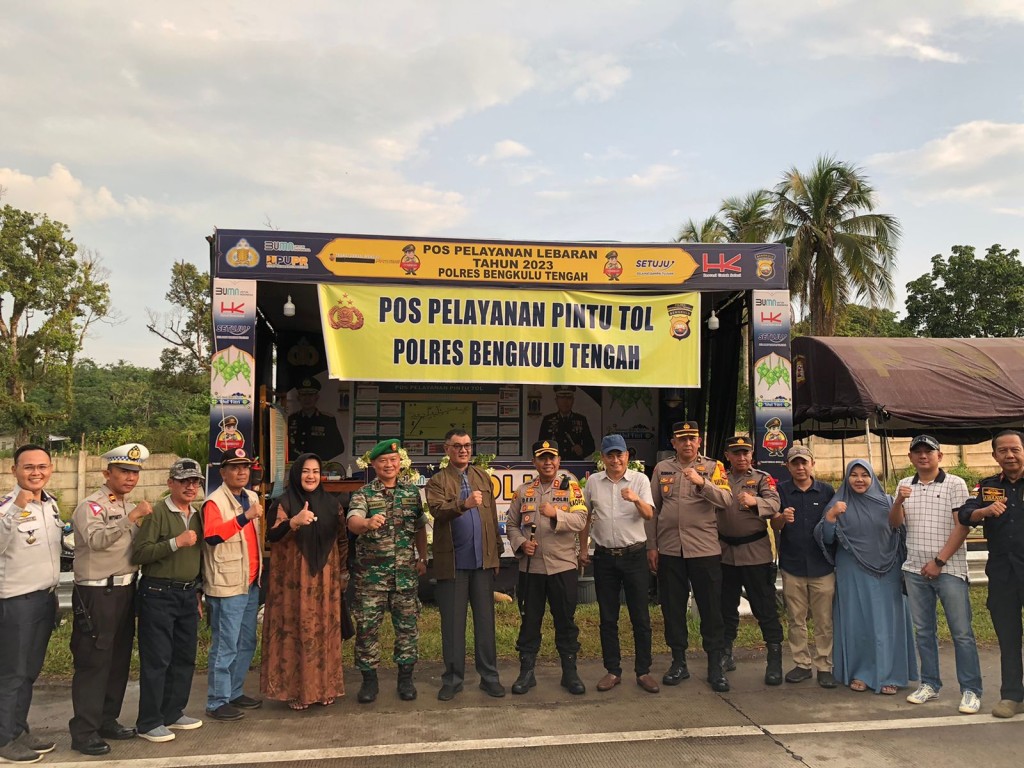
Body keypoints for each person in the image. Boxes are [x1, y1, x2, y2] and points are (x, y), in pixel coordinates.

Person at [69, 443, 153, 756]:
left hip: (125, 589)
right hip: (97, 592)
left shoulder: (124, 502)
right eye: (124, 471)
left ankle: (107, 719)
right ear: (107, 473)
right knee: (94, 661)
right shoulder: (92, 505)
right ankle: (84, 731)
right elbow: (97, 540)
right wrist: (131, 518)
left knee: (118, 660)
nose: (130, 477)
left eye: (135, 472)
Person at [891, 435, 981, 714]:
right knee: (924, 632)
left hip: (949, 569)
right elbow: (895, 524)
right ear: (910, 457)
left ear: (939, 456)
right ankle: (930, 683)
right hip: (914, 569)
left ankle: (971, 689)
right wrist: (898, 501)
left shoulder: (955, 483)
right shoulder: (905, 484)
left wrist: (939, 561)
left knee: (961, 632)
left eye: (928, 451)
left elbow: (962, 527)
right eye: (917, 452)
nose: (923, 456)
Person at [814, 459, 917, 695]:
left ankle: (890, 675)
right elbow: (826, 538)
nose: (859, 480)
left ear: (873, 477)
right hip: (853, 571)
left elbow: (899, 531)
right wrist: (831, 517)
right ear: (847, 478)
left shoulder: (888, 501)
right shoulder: (838, 502)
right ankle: (860, 673)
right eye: (854, 475)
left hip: (888, 570)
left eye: (865, 475)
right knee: (857, 622)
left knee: (887, 624)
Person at [646, 420, 733, 692]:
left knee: (711, 608)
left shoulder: (714, 467)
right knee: (672, 608)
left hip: (704, 550)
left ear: (699, 442)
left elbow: (726, 500)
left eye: (691, 438)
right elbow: (653, 510)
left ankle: (715, 665)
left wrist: (702, 483)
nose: (687, 443)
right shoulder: (662, 469)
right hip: (670, 550)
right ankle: (678, 662)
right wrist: (652, 546)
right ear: (673, 443)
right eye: (681, 439)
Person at [261, 453, 348, 710]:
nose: (311, 476)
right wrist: (293, 522)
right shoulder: (284, 502)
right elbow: (272, 536)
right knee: (294, 630)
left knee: (323, 631)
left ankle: (325, 688)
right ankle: (295, 691)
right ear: (296, 473)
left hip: (325, 583)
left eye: (315, 471)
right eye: (305, 471)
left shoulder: (332, 504)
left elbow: (342, 540)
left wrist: (342, 572)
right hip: (292, 583)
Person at [424, 430, 505, 701]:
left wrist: (497, 554)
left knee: (485, 624)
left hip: (482, 563)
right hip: (453, 565)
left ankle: (490, 678)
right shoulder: (437, 481)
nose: (463, 450)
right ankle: (453, 680)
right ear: (447, 449)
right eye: (457, 446)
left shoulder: (482, 476)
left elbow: (492, 517)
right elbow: (438, 511)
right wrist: (464, 504)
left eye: (467, 445)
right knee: (453, 626)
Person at [347, 440, 428, 704]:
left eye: (393, 460)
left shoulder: (411, 493)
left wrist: (422, 557)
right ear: (374, 464)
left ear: (400, 463)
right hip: (371, 578)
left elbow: (419, 527)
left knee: (407, 629)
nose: (389, 465)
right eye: (383, 461)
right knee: (367, 630)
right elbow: (353, 522)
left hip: (405, 575)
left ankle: (405, 679)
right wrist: (367, 523)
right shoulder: (363, 494)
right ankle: (369, 681)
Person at [506, 440, 589, 695]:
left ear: (559, 461)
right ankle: (527, 672)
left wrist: (556, 514)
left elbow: (581, 519)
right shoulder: (523, 491)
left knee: (565, 621)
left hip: (562, 566)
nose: (548, 462)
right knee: (530, 621)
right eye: (542, 458)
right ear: (534, 462)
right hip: (531, 568)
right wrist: (521, 544)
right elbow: (511, 525)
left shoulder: (571, 488)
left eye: (552, 457)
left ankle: (570, 672)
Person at [132, 458, 205, 743]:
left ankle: (173, 711)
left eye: (195, 482)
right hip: (158, 592)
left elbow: (198, 557)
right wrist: (176, 542)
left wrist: (197, 591)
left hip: (187, 593)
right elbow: (139, 553)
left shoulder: (197, 514)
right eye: (184, 481)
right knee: (157, 659)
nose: (190, 486)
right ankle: (149, 721)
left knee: (184, 656)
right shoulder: (158, 513)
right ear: (170, 483)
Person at [581, 434, 659, 694]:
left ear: (627, 456)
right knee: (608, 617)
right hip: (604, 557)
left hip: (634, 555)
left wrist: (636, 499)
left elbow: (649, 514)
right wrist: (584, 549)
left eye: (620, 455)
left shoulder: (640, 480)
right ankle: (612, 670)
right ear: (602, 458)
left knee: (640, 616)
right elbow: (585, 516)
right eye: (610, 455)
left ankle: (643, 671)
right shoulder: (593, 482)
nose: (616, 460)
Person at [0, 445, 62, 764]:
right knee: (12, 673)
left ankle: (18, 728)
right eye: (28, 467)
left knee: (29, 672)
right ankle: (3, 739)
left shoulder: (50, 504)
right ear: (14, 470)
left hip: (45, 598)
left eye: (42, 466)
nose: (36, 472)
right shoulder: (5, 507)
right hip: (16, 602)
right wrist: (15, 509)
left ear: (50, 469)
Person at [958, 429, 1024, 719]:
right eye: (1003, 451)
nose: (1010, 455)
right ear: (995, 455)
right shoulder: (987, 487)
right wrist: (984, 512)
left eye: (1015, 449)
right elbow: (965, 514)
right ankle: (1011, 696)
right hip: (1002, 574)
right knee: (1008, 638)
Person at [201, 448, 263, 722]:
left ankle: (234, 691)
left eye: (245, 467)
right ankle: (217, 701)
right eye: (235, 467)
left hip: (249, 581)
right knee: (225, 644)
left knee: (246, 641)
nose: (241, 472)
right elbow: (212, 536)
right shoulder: (214, 502)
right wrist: (244, 517)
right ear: (223, 473)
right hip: (227, 584)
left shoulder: (251, 497)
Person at [717, 436, 784, 686]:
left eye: (745, 452)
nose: (741, 457)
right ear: (727, 455)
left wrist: (755, 501)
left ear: (752, 454)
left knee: (764, 607)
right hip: (725, 553)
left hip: (755, 552)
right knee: (726, 607)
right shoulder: (719, 479)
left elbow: (775, 503)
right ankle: (726, 653)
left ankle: (774, 658)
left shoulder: (762, 479)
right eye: (736, 453)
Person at [773, 445, 837, 688]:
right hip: (793, 565)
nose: (800, 467)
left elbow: (835, 524)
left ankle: (824, 666)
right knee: (796, 619)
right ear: (787, 467)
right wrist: (782, 518)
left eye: (804, 462)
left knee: (824, 620)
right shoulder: (780, 491)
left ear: (812, 464)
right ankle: (801, 663)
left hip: (822, 565)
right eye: (795, 463)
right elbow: (774, 525)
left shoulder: (827, 491)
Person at [288, 377, 345, 460]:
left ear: (316, 397)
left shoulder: (327, 420)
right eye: (303, 395)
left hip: (318, 465)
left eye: (311, 395)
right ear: (298, 397)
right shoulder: (291, 419)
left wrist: (319, 459)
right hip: (296, 464)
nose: (307, 399)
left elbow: (338, 447)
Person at [537, 385, 595, 459]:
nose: (565, 402)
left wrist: (582, 450)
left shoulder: (581, 420)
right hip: (554, 462)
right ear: (556, 400)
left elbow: (591, 446)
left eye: (568, 398)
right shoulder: (548, 420)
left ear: (573, 400)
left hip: (575, 462)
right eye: (561, 398)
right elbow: (540, 445)